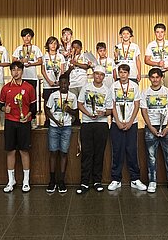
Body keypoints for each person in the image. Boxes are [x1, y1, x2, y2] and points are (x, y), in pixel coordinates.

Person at [140, 68, 168, 193]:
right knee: (151, 157)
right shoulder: (145, 93)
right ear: (149, 78)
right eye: (153, 77)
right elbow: (144, 111)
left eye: (157, 77)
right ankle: (152, 181)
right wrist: (150, 127)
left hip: (166, 128)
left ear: (162, 78)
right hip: (151, 127)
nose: (155, 79)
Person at [107, 64, 146, 191]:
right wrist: (117, 121)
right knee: (117, 151)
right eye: (121, 72)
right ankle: (116, 179)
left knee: (132, 150)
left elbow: (137, 105)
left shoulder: (134, 86)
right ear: (118, 73)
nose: (122, 75)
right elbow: (112, 105)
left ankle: (135, 179)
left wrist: (130, 121)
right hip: (116, 123)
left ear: (129, 74)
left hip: (131, 123)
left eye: (125, 72)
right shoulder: (113, 86)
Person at [0, 61, 37, 193]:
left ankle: (26, 181)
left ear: (22, 71)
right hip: (10, 122)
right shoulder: (5, 88)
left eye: (18, 70)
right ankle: (11, 180)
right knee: (10, 151)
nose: (16, 72)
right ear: (10, 72)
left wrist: (29, 115)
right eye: (13, 70)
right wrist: (5, 109)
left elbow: (33, 107)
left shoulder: (29, 87)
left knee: (24, 151)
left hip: (24, 122)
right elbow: (0, 106)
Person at [76, 65, 112, 194]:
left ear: (104, 77)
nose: (98, 76)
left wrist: (103, 113)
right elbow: (80, 104)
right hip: (87, 123)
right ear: (93, 75)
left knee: (99, 153)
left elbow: (110, 109)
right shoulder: (86, 88)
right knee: (87, 153)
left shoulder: (107, 90)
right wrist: (88, 113)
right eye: (96, 74)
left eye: (101, 75)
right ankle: (84, 182)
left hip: (101, 125)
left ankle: (97, 181)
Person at [44, 73, 78, 193]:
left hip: (67, 127)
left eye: (65, 83)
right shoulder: (53, 95)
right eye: (61, 83)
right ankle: (52, 180)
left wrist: (70, 110)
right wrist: (54, 120)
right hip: (54, 127)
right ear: (59, 83)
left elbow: (76, 112)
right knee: (53, 153)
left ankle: (61, 181)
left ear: (69, 84)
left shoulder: (73, 96)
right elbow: (47, 110)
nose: (63, 85)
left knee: (64, 153)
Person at [144, 23, 168, 126]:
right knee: (157, 94)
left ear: (164, 33)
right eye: (157, 32)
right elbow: (146, 60)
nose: (159, 34)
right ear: (155, 33)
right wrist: (157, 64)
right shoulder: (151, 45)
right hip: (156, 71)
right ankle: (157, 116)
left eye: (161, 32)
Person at [12, 28, 43, 129]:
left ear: (32, 37)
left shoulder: (35, 48)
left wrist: (31, 63)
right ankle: (21, 116)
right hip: (21, 77)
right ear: (22, 37)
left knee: (32, 99)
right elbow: (14, 61)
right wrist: (22, 61)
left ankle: (33, 118)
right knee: (22, 98)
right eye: (24, 36)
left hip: (32, 77)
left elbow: (40, 61)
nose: (26, 38)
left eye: (29, 36)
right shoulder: (19, 49)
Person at [41, 36, 66, 128]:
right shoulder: (45, 56)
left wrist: (60, 81)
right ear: (48, 45)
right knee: (47, 101)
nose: (53, 45)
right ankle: (47, 119)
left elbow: (62, 70)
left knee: (57, 101)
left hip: (58, 83)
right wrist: (49, 81)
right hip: (48, 84)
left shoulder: (60, 56)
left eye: (55, 43)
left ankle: (57, 118)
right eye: (51, 43)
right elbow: (43, 70)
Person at [67, 39, 90, 126]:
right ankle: (75, 120)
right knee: (73, 103)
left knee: (83, 102)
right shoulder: (69, 57)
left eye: (77, 47)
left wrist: (76, 63)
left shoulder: (84, 56)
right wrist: (70, 68)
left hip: (82, 83)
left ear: (81, 48)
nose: (76, 49)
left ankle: (85, 119)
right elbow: (66, 72)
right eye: (74, 47)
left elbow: (86, 66)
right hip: (72, 83)